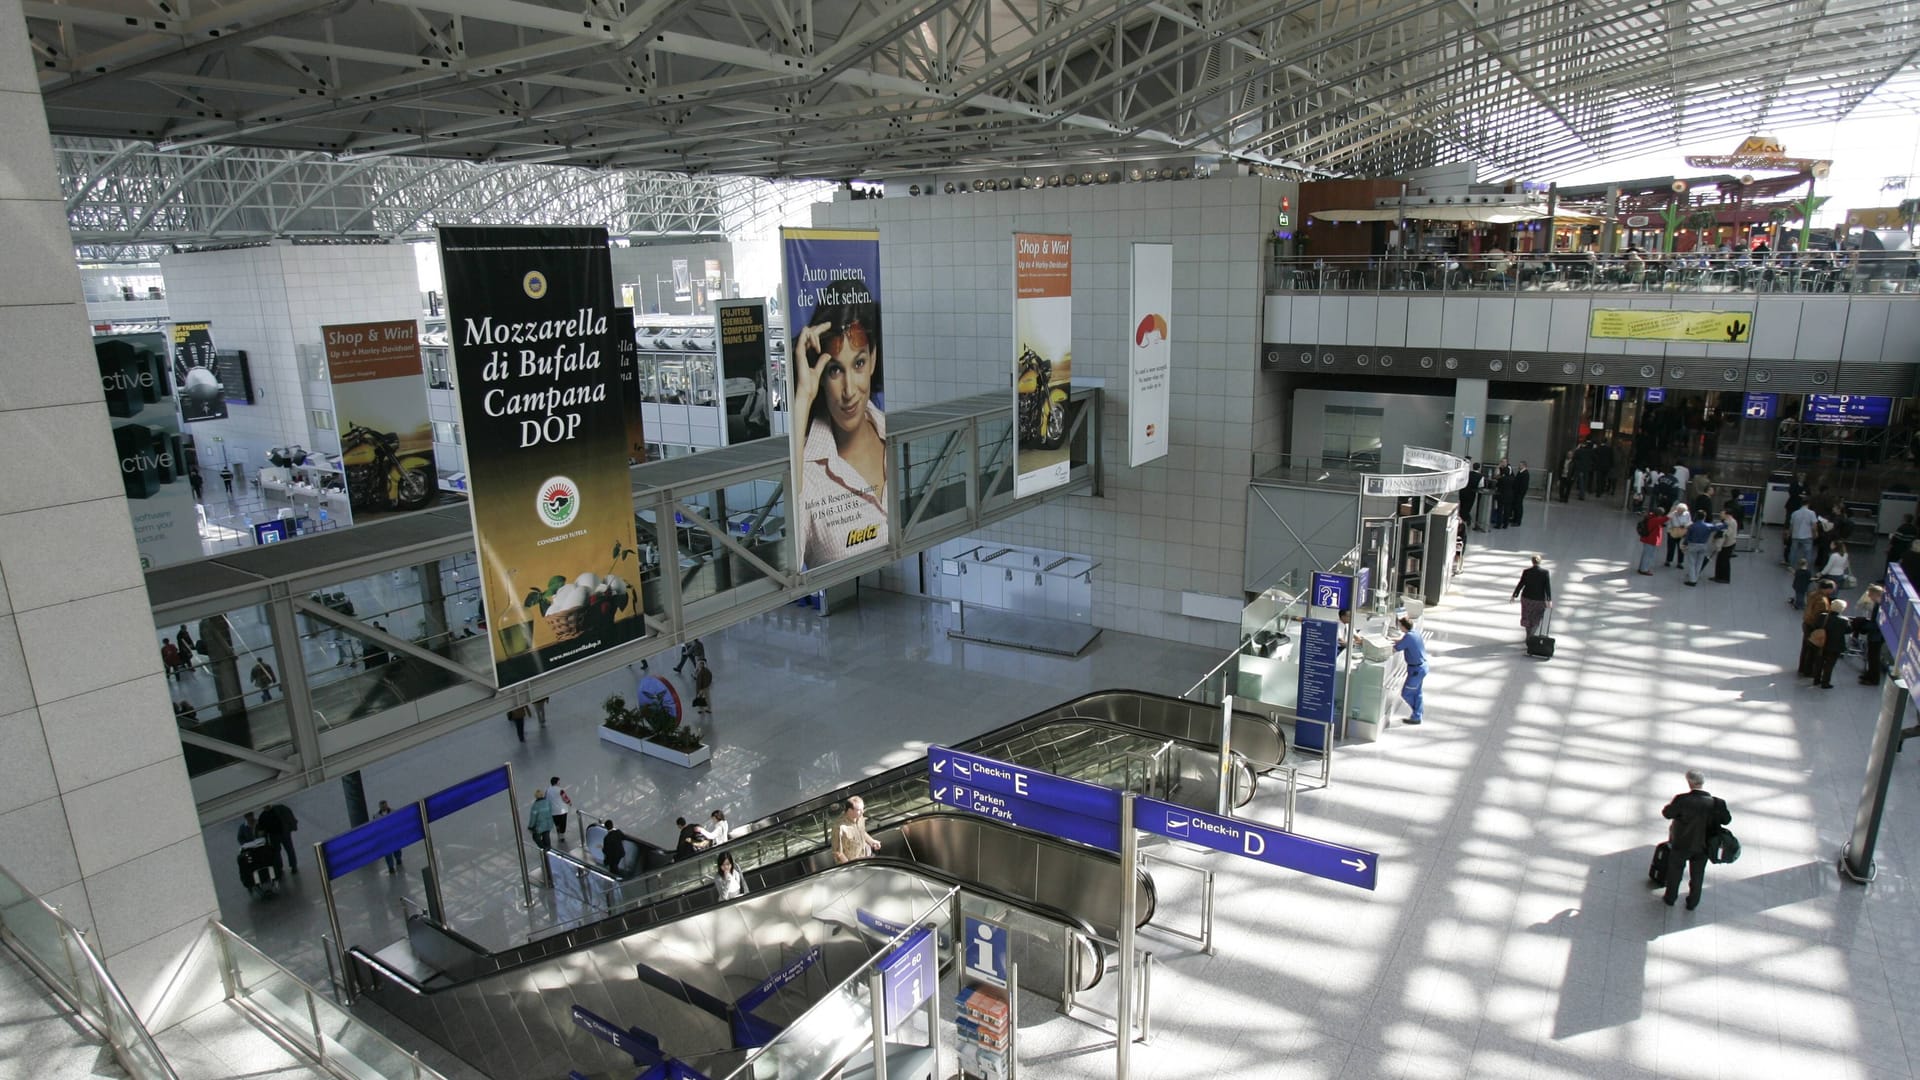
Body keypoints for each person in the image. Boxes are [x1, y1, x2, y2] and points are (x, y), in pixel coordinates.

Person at [794, 298, 888, 567]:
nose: (849, 391)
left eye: (858, 364)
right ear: (821, 376)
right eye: (835, 370)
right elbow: (787, 568)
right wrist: (803, 398)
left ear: (873, 360)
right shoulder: (805, 470)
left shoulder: (898, 439)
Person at [1661, 769, 1732, 910]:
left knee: (1675, 871)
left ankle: (1670, 898)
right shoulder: (1718, 803)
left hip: (1681, 844)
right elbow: (1727, 820)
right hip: (1704, 846)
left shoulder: (1682, 800)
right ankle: (1692, 902)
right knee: (1697, 875)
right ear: (1702, 782)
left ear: (1689, 782)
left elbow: (1667, 813)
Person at [1358, 616, 1426, 725]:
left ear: (1403, 626)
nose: (1399, 628)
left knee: (1406, 693)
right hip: (1421, 667)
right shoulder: (1414, 633)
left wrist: (1377, 649)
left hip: (1416, 670)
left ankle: (1417, 715)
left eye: (1400, 626)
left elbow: (1394, 649)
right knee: (1417, 692)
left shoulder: (1408, 637)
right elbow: (1403, 640)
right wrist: (1390, 639)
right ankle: (1419, 712)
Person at [1799, 579, 1838, 677]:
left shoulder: (1812, 594)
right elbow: (1820, 616)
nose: (1833, 591)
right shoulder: (1822, 601)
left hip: (1806, 623)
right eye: (1832, 589)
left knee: (1806, 647)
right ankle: (1809, 671)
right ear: (1827, 589)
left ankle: (1802, 668)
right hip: (1814, 626)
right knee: (1813, 651)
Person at [1811, 598, 1850, 689]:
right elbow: (1848, 630)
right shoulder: (1843, 620)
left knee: (1819, 662)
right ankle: (1825, 682)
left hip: (1822, 643)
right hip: (1835, 646)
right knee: (1829, 664)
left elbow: (1816, 625)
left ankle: (1816, 679)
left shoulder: (1823, 616)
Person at [1511, 555, 1552, 639]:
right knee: (1537, 617)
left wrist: (1514, 595)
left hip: (1526, 598)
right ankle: (1532, 635)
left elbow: (1521, 584)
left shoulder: (1526, 572)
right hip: (1539, 599)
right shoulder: (1545, 572)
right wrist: (1549, 600)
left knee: (1527, 615)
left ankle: (1528, 633)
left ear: (1532, 562)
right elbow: (1547, 587)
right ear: (1540, 562)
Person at [833, 796, 883, 863]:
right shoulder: (839, 828)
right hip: (852, 864)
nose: (862, 812)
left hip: (866, 857)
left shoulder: (860, 817)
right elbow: (838, 852)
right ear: (850, 810)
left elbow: (862, 832)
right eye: (859, 810)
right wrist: (849, 866)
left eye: (863, 809)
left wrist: (871, 841)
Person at [1681, 512, 1725, 586]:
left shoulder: (1692, 526)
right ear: (1704, 517)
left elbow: (1687, 537)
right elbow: (1719, 528)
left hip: (1693, 545)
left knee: (1692, 563)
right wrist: (1725, 524)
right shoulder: (1708, 526)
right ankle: (1696, 578)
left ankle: (1692, 580)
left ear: (1696, 517)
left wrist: (1685, 544)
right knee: (1699, 562)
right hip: (1703, 545)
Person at [1857, 585, 1888, 686]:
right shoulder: (1879, 604)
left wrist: (1865, 625)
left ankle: (1874, 679)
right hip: (1875, 634)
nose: (1869, 597)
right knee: (1871, 655)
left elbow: (1878, 623)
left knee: (1874, 657)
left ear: (1876, 594)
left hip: (1877, 636)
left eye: (1870, 595)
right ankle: (1869, 674)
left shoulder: (1881, 606)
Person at [258, 803, 299, 873]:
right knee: (284, 851)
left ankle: (287, 867)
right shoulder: (278, 809)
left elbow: (261, 829)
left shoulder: (263, 816)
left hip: (279, 834)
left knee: (282, 851)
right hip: (279, 834)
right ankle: (287, 866)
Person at [1636, 506, 1669, 575]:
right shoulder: (1655, 520)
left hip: (1647, 539)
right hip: (1651, 540)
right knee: (1648, 555)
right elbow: (1665, 519)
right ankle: (1644, 569)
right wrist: (1674, 512)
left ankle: (1641, 568)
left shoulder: (1650, 517)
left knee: (1645, 554)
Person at [1710, 510, 1740, 584]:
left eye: (1722, 514)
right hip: (1728, 543)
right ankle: (1718, 576)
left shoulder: (1729, 522)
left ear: (1727, 514)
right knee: (1720, 560)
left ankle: (1724, 578)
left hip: (1728, 544)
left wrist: (1718, 545)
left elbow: (1725, 535)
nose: (1720, 515)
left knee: (1724, 561)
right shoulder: (1730, 521)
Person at [377, 800, 403, 875]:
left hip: (394, 835)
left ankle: (398, 859)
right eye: (382, 805)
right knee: (388, 854)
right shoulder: (376, 816)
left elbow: (398, 822)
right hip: (385, 837)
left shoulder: (393, 812)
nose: (384, 806)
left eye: (384, 805)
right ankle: (391, 867)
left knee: (397, 850)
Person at [1663, 503, 1691, 568]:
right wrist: (1670, 528)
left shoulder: (1687, 514)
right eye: (1679, 510)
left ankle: (1680, 562)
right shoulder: (1672, 513)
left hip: (1682, 532)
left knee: (1681, 547)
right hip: (1672, 531)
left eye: (1682, 511)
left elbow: (1689, 522)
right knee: (1671, 547)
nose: (1680, 512)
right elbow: (1666, 522)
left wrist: (1685, 526)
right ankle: (1668, 560)